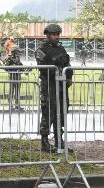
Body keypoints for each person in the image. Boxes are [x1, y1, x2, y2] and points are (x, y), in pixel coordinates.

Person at [35, 23, 73, 153]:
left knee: (61, 113)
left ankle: (59, 141)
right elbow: (44, 68)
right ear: (48, 35)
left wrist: (68, 77)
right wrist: (57, 70)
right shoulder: (41, 49)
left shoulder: (61, 49)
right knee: (48, 112)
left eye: (58, 34)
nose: (56, 37)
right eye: (54, 35)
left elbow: (68, 65)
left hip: (61, 86)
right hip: (49, 86)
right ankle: (45, 142)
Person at [3, 41, 23, 109]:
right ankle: (10, 104)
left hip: (18, 76)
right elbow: (6, 68)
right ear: (14, 51)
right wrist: (12, 67)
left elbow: (20, 66)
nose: (19, 52)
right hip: (12, 76)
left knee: (17, 91)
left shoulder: (18, 58)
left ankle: (17, 104)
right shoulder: (9, 58)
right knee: (11, 91)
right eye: (17, 51)